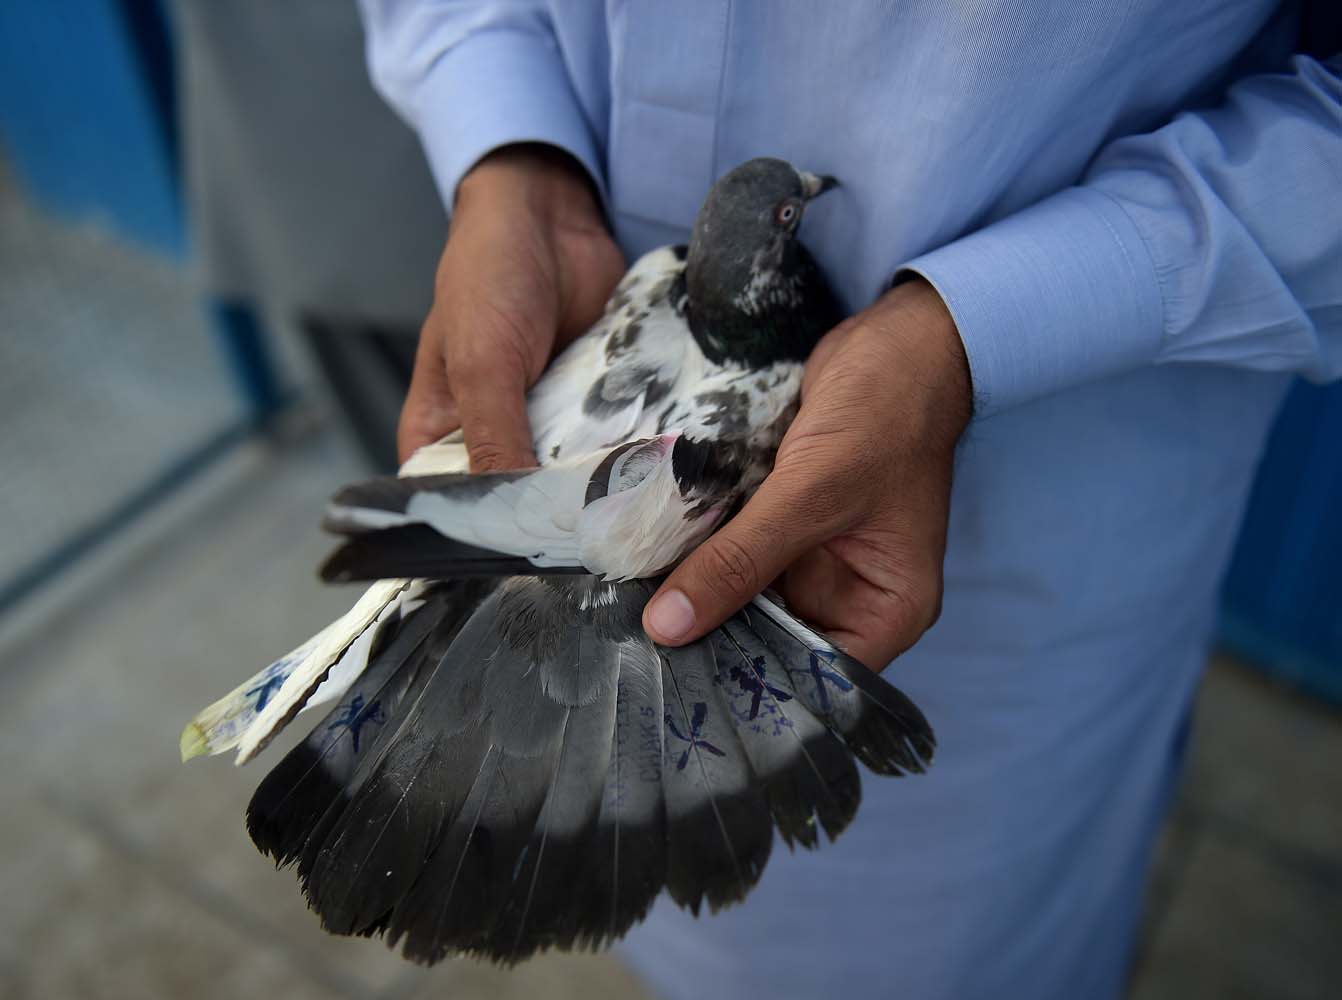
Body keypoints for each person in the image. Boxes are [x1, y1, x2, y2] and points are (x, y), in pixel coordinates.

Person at [355, 3, 1342, 998]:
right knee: (683, 917)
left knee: (958, 950)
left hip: (1043, 482)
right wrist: (509, 149)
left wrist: (979, 329)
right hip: (584, 352)